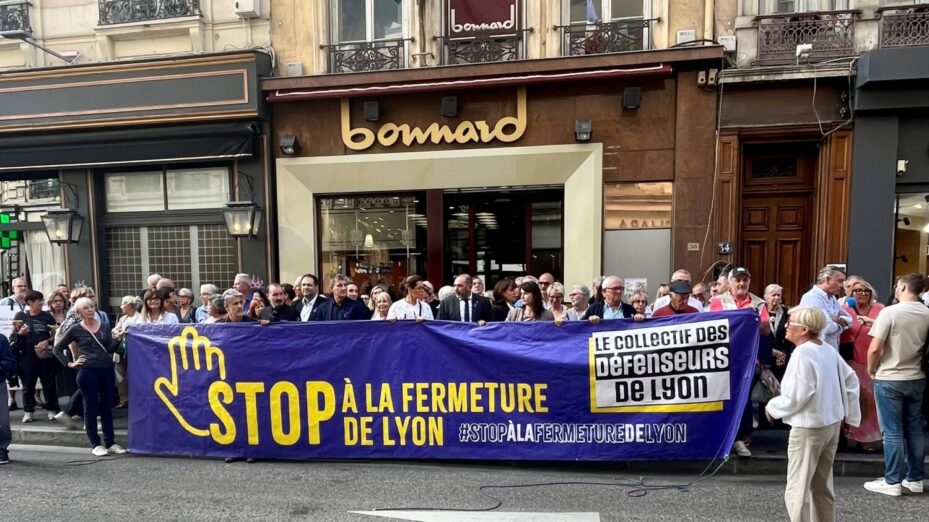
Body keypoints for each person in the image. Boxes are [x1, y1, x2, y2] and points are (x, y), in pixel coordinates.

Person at [765, 306, 860, 522]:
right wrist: (849, 415)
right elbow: (850, 380)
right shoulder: (827, 349)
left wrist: (773, 407)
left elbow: (798, 394)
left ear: (805, 329)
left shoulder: (803, 353)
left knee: (798, 488)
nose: (786, 326)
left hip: (809, 426)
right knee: (822, 486)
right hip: (831, 423)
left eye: (791, 323)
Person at [864, 272, 929, 497]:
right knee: (915, 429)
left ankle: (892, 481)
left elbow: (875, 348)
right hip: (917, 376)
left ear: (902, 287)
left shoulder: (890, 312)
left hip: (890, 376)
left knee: (892, 431)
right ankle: (915, 478)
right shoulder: (927, 313)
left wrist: (871, 369)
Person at [53, 297, 126, 457]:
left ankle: (110, 442)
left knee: (107, 407)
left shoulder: (104, 325)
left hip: (106, 369)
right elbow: (57, 348)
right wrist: (70, 363)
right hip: (87, 371)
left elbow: (110, 349)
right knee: (90, 406)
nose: (90, 310)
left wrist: (118, 340)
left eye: (92, 306)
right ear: (79, 312)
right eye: (86, 308)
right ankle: (95, 444)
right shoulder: (75, 329)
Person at [709, 267, 770, 457]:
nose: (741, 283)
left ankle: (743, 436)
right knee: (724, 397)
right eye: (738, 280)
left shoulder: (758, 303)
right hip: (724, 358)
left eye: (745, 280)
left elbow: (766, 330)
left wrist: (753, 318)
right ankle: (725, 435)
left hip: (749, 358)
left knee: (744, 397)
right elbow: (714, 325)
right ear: (730, 282)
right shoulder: (718, 300)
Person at [839, 279, 883, 453]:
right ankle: (845, 435)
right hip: (849, 361)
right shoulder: (844, 309)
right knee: (849, 399)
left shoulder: (880, 310)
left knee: (869, 402)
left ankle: (865, 438)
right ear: (851, 294)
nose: (862, 294)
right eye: (858, 291)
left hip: (872, 361)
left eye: (866, 291)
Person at [13, 290, 59, 422]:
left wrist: (47, 341)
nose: (41, 302)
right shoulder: (20, 316)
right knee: (28, 385)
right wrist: (20, 334)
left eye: (42, 300)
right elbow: (13, 336)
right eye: (39, 300)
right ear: (30, 302)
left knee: (49, 383)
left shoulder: (47, 317)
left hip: (45, 355)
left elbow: (56, 335)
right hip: (26, 356)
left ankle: (51, 409)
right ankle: (28, 411)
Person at [799, 266, 851, 353]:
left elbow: (850, 319)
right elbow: (826, 326)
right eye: (839, 281)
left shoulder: (832, 297)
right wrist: (840, 323)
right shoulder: (812, 297)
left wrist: (835, 320)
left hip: (831, 351)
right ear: (827, 280)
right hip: (816, 352)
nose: (842, 286)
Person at [3, 277, 28, 413]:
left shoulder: (31, 301)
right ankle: (11, 398)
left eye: (24, 286)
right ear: (13, 288)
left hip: (28, 341)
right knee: (11, 370)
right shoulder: (4, 303)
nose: (23, 288)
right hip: (10, 340)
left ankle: (35, 397)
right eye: (19, 286)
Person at [111, 295, 140, 409]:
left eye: (123, 304)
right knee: (120, 375)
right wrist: (117, 332)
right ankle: (124, 399)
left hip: (135, 351)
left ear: (130, 305)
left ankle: (136, 399)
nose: (121, 306)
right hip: (121, 350)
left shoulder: (140, 317)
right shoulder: (123, 318)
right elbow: (114, 331)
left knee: (135, 375)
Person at [764, 284, 793, 382]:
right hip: (765, 356)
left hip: (782, 358)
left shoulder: (786, 312)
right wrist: (772, 352)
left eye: (779, 295)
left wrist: (783, 355)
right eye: (773, 295)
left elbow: (789, 336)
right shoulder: (759, 311)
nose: (776, 298)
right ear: (765, 297)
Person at [0, 333, 14, 464]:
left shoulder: (1, 339)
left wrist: (2, 366)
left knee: (2, 419)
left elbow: (9, 361)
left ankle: (2, 449)